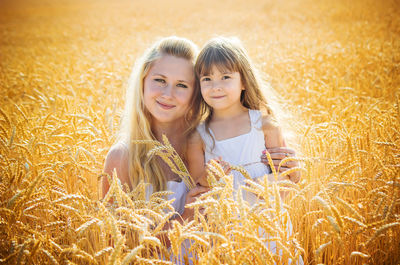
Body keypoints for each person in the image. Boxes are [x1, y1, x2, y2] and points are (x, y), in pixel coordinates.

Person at [102, 36, 209, 249]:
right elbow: (119, 247)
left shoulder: (211, 147)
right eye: (159, 80)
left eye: (181, 85)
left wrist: (287, 176)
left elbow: (257, 204)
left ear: (196, 94)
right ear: (142, 82)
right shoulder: (122, 158)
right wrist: (186, 218)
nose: (167, 94)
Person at [187, 36, 301, 192]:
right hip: (223, 215)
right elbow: (196, 189)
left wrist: (270, 181)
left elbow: (285, 176)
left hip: (266, 212)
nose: (215, 87)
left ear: (244, 82)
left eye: (225, 77)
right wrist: (208, 178)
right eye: (207, 79)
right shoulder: (199, 136)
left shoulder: (265, 125)